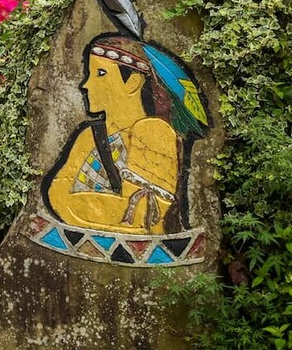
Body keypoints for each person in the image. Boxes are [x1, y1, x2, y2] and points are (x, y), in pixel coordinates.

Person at [41, 33, 209, 235]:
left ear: (133, 82)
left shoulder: (154, 132)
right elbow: (56, 197)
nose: (85, 84)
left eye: (100, 73)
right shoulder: (89, 136)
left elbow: (143, 217)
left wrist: (80, 204)